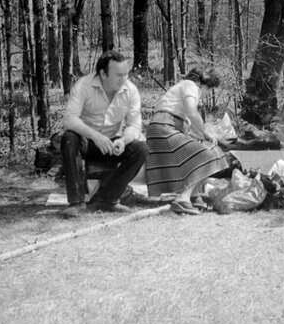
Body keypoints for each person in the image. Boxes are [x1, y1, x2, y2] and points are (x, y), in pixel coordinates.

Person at [61, 50, 149, 218]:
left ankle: (107, 199)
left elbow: (134, 125)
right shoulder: (83, 85)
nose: (123, 79)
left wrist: (123, 140)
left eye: (126, 74)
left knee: (141, 149)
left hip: (112, 143)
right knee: (69, 138)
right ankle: (77, 202)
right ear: (103, 73)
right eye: (118, 75)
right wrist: (96, 136)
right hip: (86, 140)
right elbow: (69, 119)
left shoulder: (130, 90)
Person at [145, 67, 229, 215]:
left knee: (212, 150)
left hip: (163, 129)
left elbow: (187, 123)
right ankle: (183, 199)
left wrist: (204, 136)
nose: (206, 95)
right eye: (208, 90)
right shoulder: (190, 86)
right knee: (208, 153)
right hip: (164, 129)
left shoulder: (181, 89)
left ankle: (194, 195)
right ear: (203, 84)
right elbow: (192, 111)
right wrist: (206, 133)